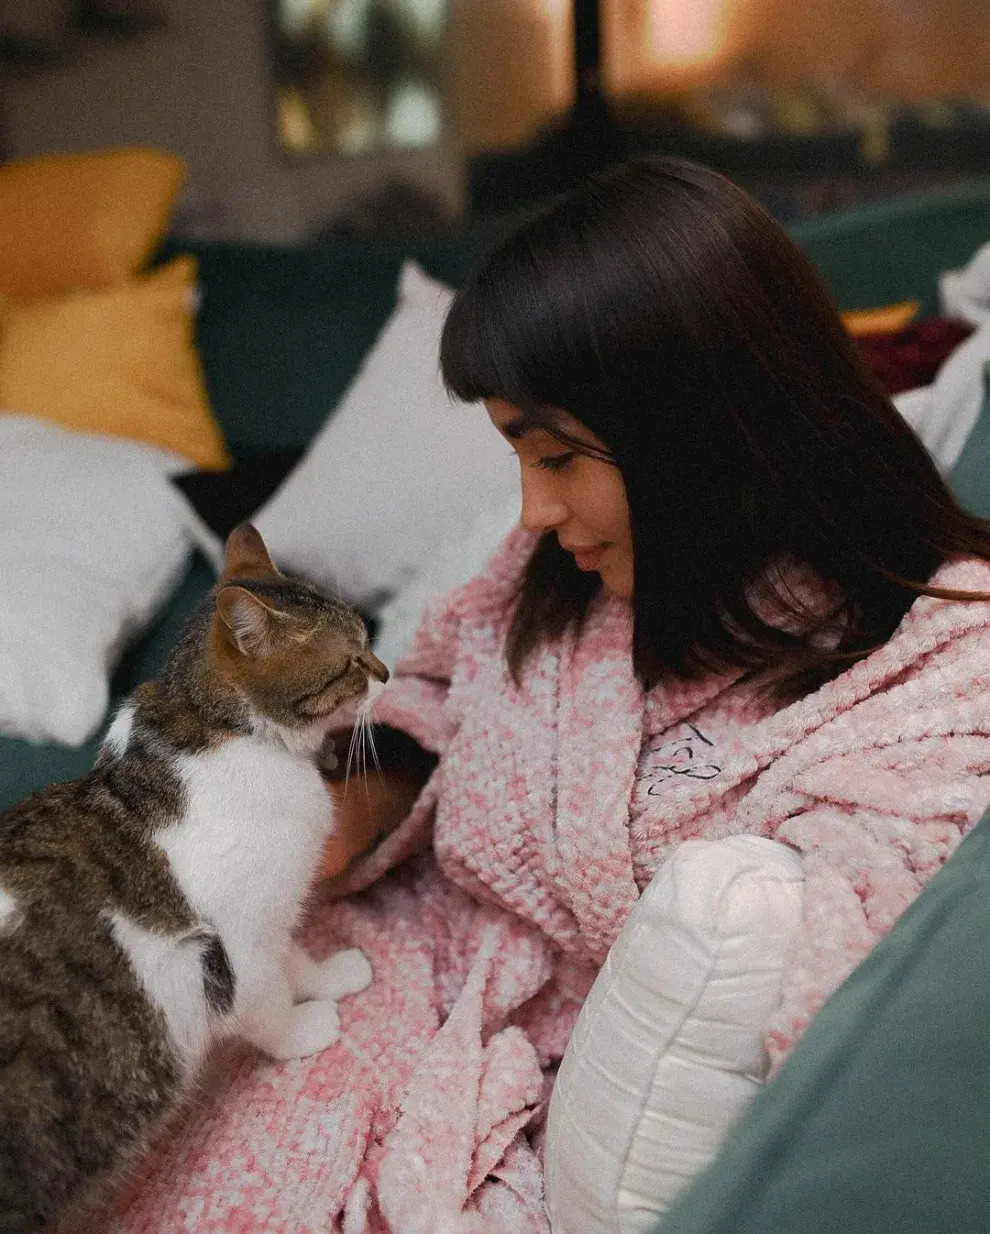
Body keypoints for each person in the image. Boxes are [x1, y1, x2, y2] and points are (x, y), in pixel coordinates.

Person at [114, 158, 990, 1229]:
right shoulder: (569, 577)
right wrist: (333, 823)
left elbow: (843, 942)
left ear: (700, 427)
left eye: (558, 455)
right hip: (368, 948)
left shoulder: (927, 666)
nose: (530, 512)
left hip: (512, 1049)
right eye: (517, 456)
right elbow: (434, 695)